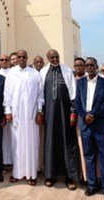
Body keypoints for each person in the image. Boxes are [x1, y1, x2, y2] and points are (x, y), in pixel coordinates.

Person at [74, 57, 104, 200]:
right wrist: (84, 115)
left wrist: (92, 114)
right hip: (86, 126)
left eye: (92, 65)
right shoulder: (80, 83)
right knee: (89, 157)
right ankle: (92, 185)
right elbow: (78, 102)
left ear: (96, 66)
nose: (89, 67)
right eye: (87, 65)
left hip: (102, 125)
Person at [40, 49, 79, 190]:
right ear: (48, 58)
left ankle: (70, 177)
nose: (55, 59)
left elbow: (73, 93)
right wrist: (40, 112)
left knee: (67, 142)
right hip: (49, 113)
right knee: (50, 142)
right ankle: (50, 175)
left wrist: (73, 112)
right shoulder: (43, 72)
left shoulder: (67, 71)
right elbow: (40, 95)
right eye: (52, 57)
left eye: (57, 57)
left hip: (65, 113)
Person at [4, 49, 43, 186]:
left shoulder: (35, 74)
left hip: (31, 116)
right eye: (19, 57)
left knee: (32, 143)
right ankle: (17, 173)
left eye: (23, 57)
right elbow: (7, 95)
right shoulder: (11, 73)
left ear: (27, 58)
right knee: (17, 144)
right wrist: (7, 111)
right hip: (16, 115)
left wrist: (39, 112)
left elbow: (40, 96)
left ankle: (31, 174)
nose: (21, 59)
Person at [0, 53, 13, 167]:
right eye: (2, 60)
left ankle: (10, 160)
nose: (4, 61)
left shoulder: (14, 73)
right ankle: (0, 161)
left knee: (10, 136)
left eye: (6, 59)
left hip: (11, 108)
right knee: (0, 137)